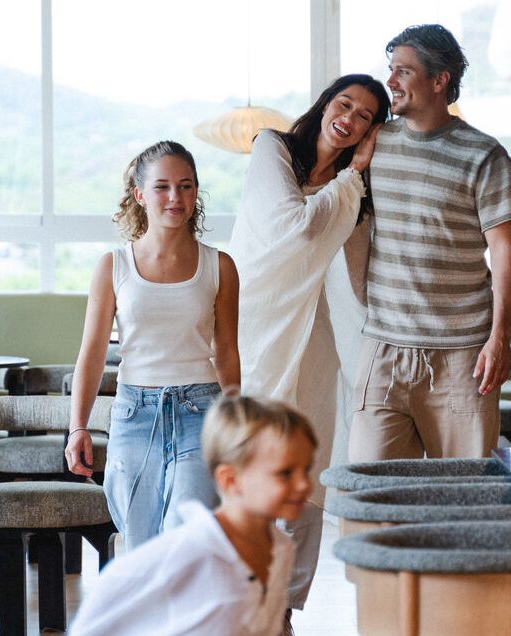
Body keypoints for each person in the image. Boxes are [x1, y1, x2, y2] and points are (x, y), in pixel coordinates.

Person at [227, 74, 390, 616]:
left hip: (318, 333)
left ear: (372, 130)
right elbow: (291, 229)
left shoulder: (354, 195)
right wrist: (353, 179)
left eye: (365, 115)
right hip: (257, 326)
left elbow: (359, 276)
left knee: (308, 467)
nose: (350, 117)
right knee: (253, 459)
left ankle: (284, 610)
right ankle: (243, 602)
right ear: (326, 105)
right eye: (345, 104)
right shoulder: (272, 148)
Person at [347, 24, 511, 462]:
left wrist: (500, 337)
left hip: (462, 358)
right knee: (368, 497)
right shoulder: (375, 142)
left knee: (462, 499)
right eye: (391, 70)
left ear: (439, 79)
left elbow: (504, 253)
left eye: (403, 72)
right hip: (384, 349)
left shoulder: (485, 154)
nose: (391, 82)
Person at [65, 140, 240, 551]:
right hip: (134, 414)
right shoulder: (113, 265)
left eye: (186, 186)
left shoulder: (221, 266)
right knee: (140, 546)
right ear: (140, 194)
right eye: (162, 187)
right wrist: (78, 428)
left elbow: (227, 351)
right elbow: (91, 352)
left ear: (196, 193)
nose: (175, 197)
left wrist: (238, 427)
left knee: (189, 537)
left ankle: (185, 616)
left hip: (203, 412)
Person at [68, 395, 316, 636]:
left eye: (306, 470)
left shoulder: (280, 548)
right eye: (285, 473)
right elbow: (100, 611)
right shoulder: (185, 552)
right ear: (230, 480)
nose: (304, 484)